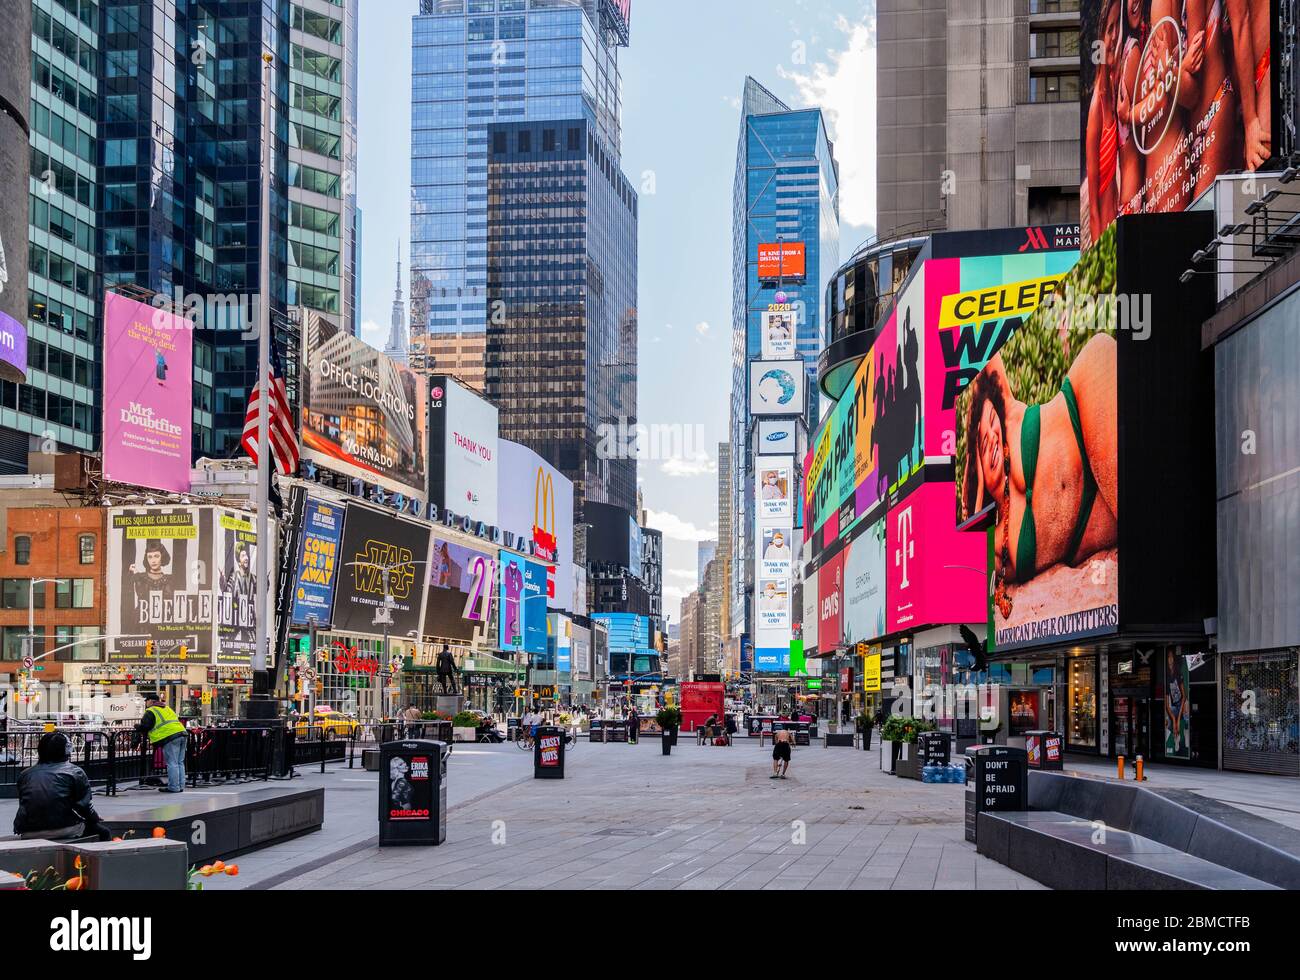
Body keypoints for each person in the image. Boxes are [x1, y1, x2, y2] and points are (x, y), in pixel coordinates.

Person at [960, 339, 1119, 616]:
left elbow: (974, 334)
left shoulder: (1010, 414)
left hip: (1085, 398)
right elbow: (969, 565)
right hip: (1095, 534)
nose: (990, 439)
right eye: (982, 445)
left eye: (990, 426)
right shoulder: (996, 541)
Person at [13, 732, 109, 841]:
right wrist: (95, 818)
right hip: (64, 827)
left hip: (28, 831)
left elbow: (27, 803)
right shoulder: (75, 772)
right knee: (104, 832)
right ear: (66, 749)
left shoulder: (25, 774)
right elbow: (84, 806)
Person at [136, 694, 188, 793]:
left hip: (170, 737)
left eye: (146, 701)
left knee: (172, 763)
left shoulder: (151, 711)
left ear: (150, 701)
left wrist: (137, 727)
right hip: (182, 733)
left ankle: (173, 787)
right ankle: (180, 786)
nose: (146, 703)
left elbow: (145, 726)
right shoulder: (167, 708)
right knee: (179, 762)